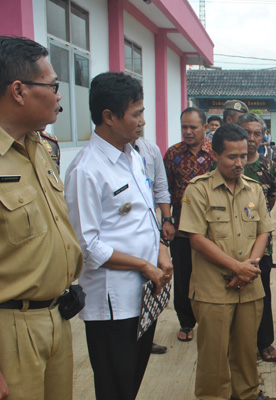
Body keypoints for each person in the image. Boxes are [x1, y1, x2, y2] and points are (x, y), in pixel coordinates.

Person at [64, 72, 173, 400]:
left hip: (144, 294)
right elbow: (89, 246)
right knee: (115, 387)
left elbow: (144, 215)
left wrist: (162, 252)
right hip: (112, 305)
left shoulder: (135, 156)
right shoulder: (86, 170)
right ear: (108, 117)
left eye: (143, 111)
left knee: (131, 383)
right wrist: (144, 264)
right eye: (136, 113)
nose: (143, 121)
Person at [0, 35, 83, 400]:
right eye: (52, 86)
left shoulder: (43, 148)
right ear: (19, 90)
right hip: (12, 331)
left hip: (56, 317)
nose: (59, 95)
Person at [178, 123, 275, 400]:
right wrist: (236, 268)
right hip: (213, 290)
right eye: (232, 157)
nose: (239, 163)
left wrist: (250, 266)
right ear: (216, 156)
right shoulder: (198, 190)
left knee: (246, 350)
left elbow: (263, 231)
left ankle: (248, 393)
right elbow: (196, 239)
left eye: (243, 156)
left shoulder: (254, 189)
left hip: (249, 286)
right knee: (214, 356)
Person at [164, 107, 212, 342]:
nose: (188, 131)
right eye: (184, 127)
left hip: (210, 228)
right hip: (182, 228)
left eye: (193, 127)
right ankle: (186, 322)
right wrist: (167, 219)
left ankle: (211, 320)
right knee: (183, 277)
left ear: (205, 127)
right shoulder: (173, 153)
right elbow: (165, 189)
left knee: (209, 275)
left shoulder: (216, 153)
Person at [237, 113, 276, 362]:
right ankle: (237, 343)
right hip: (229, 242)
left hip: (261, 244)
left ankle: (264, 342)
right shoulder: (222, 165)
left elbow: (271, 201)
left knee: (262, 293)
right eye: (246, 133)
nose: (251, 139)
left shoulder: (269, 168)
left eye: (256, 133)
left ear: (264, 136)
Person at [133, 136, 176, 354]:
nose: (141, 120)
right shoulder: (89, 166)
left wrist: (166, 220)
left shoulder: (147, 150)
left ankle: (147, 335)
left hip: (150, 232)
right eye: (136, 113)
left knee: (152, 291)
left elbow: (159, 185)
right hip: (126, 248)